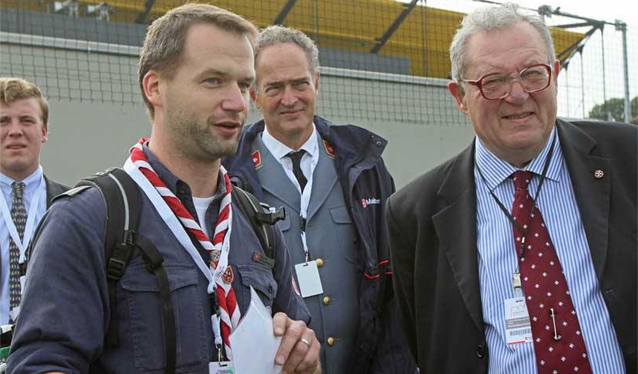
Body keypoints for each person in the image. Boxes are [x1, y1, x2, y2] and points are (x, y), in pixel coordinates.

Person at [7, 4, 321, 373]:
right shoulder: (89, 219)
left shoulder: (259, 225)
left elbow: (303, 350)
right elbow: (40, 364)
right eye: (213, 81)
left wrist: (304, 358)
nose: (237, 103)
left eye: (243, 84)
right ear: (155, 87)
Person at [385, 3, 636, 374]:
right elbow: (425, 339)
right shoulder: (413, 213)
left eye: (532, 74)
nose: (517, 94)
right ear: (459, 97)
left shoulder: (629, 157)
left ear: (553, 74)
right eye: (493, 81)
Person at [223, 25, 416, 374]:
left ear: (317, 82)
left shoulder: (364, 165)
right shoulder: (228, 178)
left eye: (299, 83)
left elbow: (393, 285)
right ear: (253, 94)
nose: (290, 98)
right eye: (274, 88)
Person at [0, 77, 69, 326]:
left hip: (51, 351)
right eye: (3, 121)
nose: (15, 130)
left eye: (26, 120)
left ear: (44, 131)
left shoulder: (74, 207)